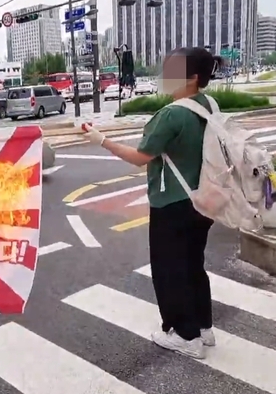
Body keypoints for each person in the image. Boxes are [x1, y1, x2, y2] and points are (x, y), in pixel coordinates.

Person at [86, 47, 221, 359]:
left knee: (170, 269)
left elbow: (139, 157)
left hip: (172, 203)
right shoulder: (208, 105)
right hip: (204, 199)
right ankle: (204, 327)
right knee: (193, 264)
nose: (164, 76)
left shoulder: (172, 114)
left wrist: (101, 140)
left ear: (192, 77)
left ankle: (186, 336)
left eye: (172, 70)